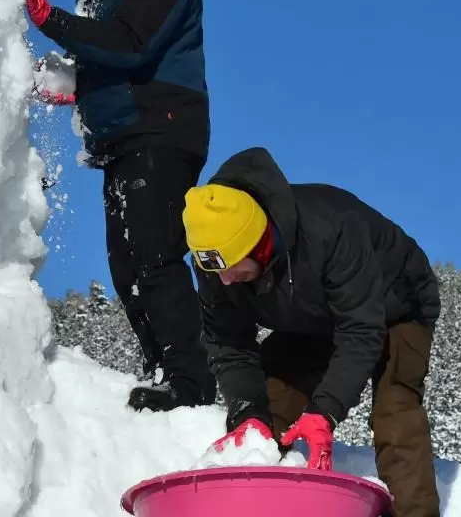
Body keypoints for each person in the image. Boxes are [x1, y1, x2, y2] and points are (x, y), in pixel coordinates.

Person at [14, 0, 214, 411]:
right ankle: (163, 369)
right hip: (123, 131)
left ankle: (191, 383)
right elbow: (106, 55)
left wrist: (48, 19)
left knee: (153, 253)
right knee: (125, 264)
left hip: (162, 124)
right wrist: (69, 82)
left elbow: (131, 43)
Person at [187, 146, 441, 517]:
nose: (224, 279)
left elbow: (361, 332)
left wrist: (325, 411)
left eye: (231, 267)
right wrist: (247, 412)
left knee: (395, 413)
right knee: (263, 415)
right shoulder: (216, 263)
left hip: (396, 308)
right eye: (214, 270)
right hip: (313, 319)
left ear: (258, 244)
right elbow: (229, 345)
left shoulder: (332, 228)